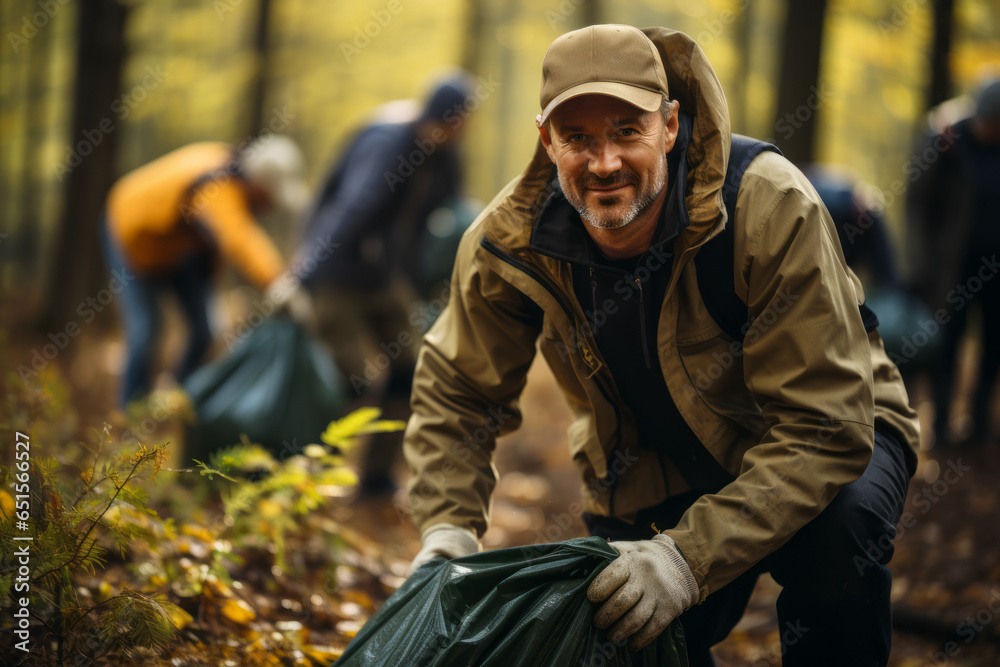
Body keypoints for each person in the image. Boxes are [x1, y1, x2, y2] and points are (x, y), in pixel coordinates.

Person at [403, 25, 920, 666]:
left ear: (670, 126)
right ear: (546, 139)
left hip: (832, 434)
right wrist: (448, 528)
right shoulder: (508, 242)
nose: (605, 162)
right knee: (609, 628)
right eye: (578, 138)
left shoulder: (769, 204)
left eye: (627, 130)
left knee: (839, 546)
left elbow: (825, 427)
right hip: (653, 467)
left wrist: (688, 558)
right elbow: (458, 388)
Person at [296, 71, 476, 494]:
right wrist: (305, 272)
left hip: (384, 279)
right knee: (352, 378)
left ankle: (375, 478)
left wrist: (421, 286)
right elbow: (352, 207)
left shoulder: (445, 156)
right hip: (336, 272)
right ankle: (309, 474)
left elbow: (442, 221)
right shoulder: (389, 143)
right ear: (451, 116)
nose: (467, 127)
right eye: (465, 117)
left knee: (410, 370)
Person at [102, 134, 313, 407]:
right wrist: (279, 284)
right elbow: (240, 238)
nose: (271, 206)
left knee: (205, 331)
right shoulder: (216, 184)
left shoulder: (231, 175)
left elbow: (215, 245)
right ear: (258, 184)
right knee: (146, 330)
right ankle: (130, 415)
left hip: (178, 249)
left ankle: (176, 403)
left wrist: (211, 292)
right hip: (130, 236)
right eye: (271, 197)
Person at [908, 77, 1000, 448]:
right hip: (952, 267)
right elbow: (917, 203)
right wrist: (920, 264)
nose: (988, 128)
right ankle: (942, 424)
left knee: (994, 342)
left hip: (996, 267)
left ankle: (979, 424)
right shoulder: (946, 142)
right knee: (946, 343)